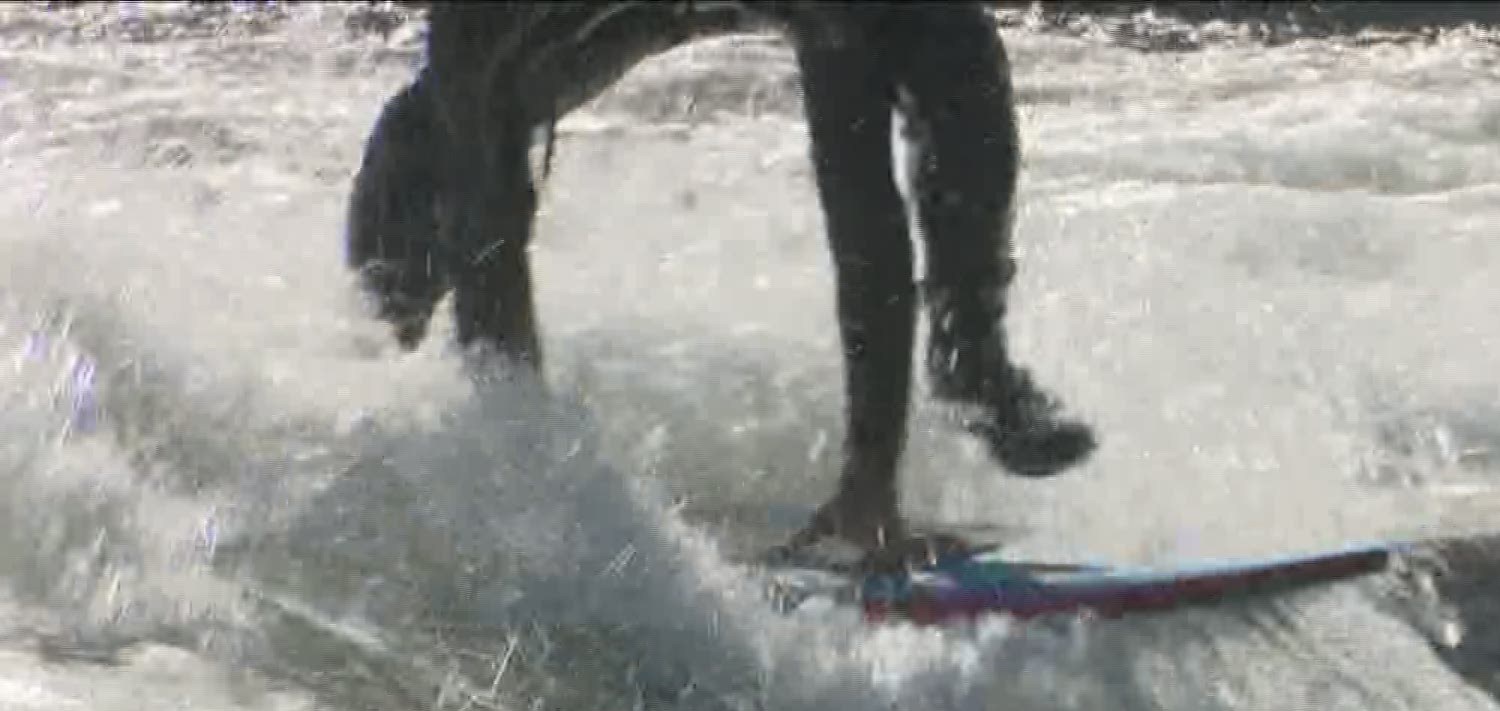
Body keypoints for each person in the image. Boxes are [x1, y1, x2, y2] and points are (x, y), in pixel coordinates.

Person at [346, 1, 1096, 562]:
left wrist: (870, 479)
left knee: (948, 42)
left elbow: (860, 204)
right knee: (432, 170)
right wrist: (533, 494)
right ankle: (397, 419)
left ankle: (972, 356)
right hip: (537, 52)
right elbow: (492, 241)